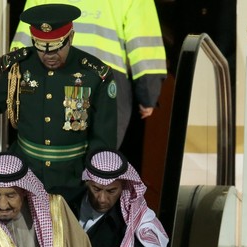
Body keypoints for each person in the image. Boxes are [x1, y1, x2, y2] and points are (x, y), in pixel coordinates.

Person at [0, 3, 117, 203]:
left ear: (70, 37)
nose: (49, 56)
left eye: (56, 48)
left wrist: (96, 180)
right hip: (23, 172)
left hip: (71, 178)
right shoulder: (20, 67)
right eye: (42, 48)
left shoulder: (95, 74)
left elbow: (103, 138)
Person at [12, 0, 167, 148]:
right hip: (104, 79)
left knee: (57, 154)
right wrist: (148, 95)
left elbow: (26, 37)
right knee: (100, 157)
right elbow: (145, 44)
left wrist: (14, 88)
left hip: (54, 76)